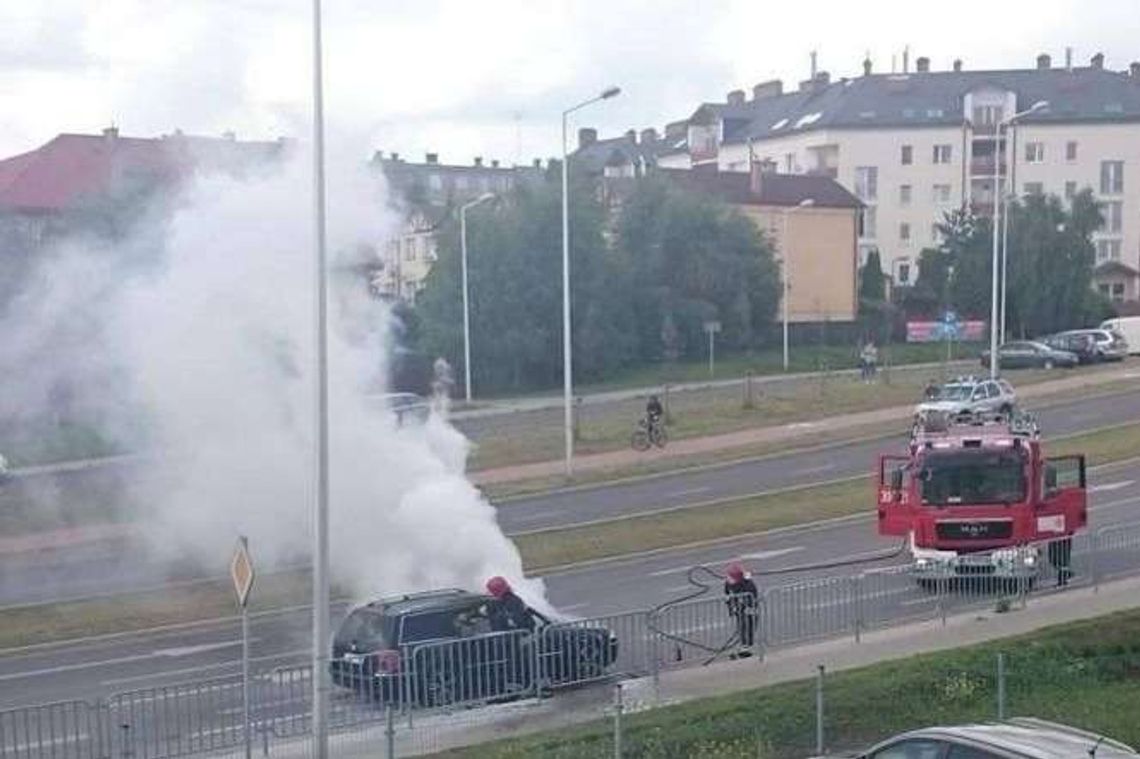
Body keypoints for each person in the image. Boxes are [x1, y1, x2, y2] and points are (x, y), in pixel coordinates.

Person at [723, 562, 759, 658]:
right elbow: (727, 593)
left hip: (748, 610)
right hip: (739, 609)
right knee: (741, 627)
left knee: (748, 627)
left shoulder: (748, 585)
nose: (727, 579)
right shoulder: (728, 583)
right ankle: (743, 646)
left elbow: (752, 597)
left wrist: (749, 607)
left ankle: (747, 647)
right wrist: (731, 606)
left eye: (730, 577)